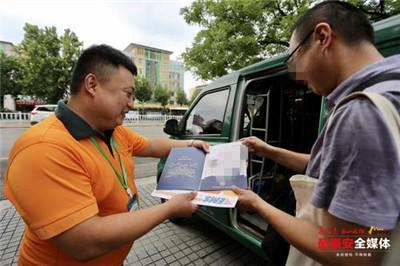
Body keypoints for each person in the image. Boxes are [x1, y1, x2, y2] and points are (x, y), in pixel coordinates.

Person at [4, 44, 209, 265]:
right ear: (92, 85)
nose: (131, 104)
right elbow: (84, 242)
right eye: (128, 94)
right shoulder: (44, 148)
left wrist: (191, 143)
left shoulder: (112, 130)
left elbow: (151, 145)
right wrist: (169, 208)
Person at [234, 1, 400, 265]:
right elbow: (334, 168)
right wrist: (269, 150)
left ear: (323, 37)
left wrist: (258, 205)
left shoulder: (361, 112)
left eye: (293, 60)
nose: (296, 76)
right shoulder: (390, 89)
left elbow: (356, 251)